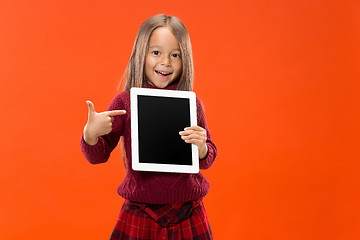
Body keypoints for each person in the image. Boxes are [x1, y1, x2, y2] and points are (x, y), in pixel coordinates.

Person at [80, 14, 217, 240]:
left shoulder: (192, 103)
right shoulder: (125, 102)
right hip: (140, 211)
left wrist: (202, 148)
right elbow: (98, 156)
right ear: (140, 55)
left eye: (175, 55)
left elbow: (208, 158)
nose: (166, 62)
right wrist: (91, 134)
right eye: (156, 52)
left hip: (189, 210)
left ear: (186, 60)